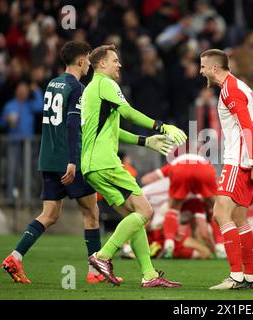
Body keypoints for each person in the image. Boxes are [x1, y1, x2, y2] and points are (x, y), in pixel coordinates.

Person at [1, 41, 112, 284]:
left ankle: (15, 256)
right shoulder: (77, 87)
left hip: (48, 157)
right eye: (88, 62)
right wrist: (73, 161)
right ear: (82, 61)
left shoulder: (53, 83)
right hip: (68, 158)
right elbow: (72, 124)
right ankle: (95, 272)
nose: (89, 67)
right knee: (91, 211)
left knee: (49, 214)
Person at [81, 44, 186, 287]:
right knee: (146, 212)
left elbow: (112, 129)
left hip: (91, 167)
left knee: (133, 216)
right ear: (102, 64)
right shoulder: (106, 84)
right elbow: (128, 113)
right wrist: (161, 126)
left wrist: (144, 141)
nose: (119, 64)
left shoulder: (89, 91)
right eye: (115, 60)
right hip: (106, 163)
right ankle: (102, 256)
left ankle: (148, 275)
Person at [199, 49, 253, 290]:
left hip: (238, 161)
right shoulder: (241, 87)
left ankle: (236, 276)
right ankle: (250, 277)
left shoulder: (231, 90)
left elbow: (247, 127)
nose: (200, 71)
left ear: (215, 68)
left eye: (203, 66)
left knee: (219, 213)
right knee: (239, 218)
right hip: (245, 159)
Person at [140, 153, 218, 258]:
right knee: (217, 208)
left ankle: (168, 244)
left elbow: (145, 179)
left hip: (157, 214)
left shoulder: (174, 166)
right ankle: (221, 246)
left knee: (171, 210)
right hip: (204, 170)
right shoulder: (196, 200)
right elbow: (204, 231)